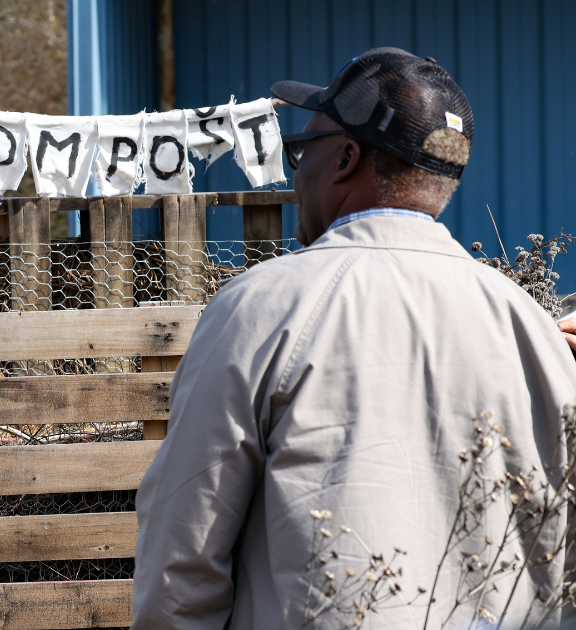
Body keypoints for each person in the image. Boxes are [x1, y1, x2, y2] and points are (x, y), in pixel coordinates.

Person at [132, 48, 576, 629]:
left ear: (344, 158)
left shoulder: (262, 309)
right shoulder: (533, 330)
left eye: (301, 150)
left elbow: (181, 557)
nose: (297, 172)